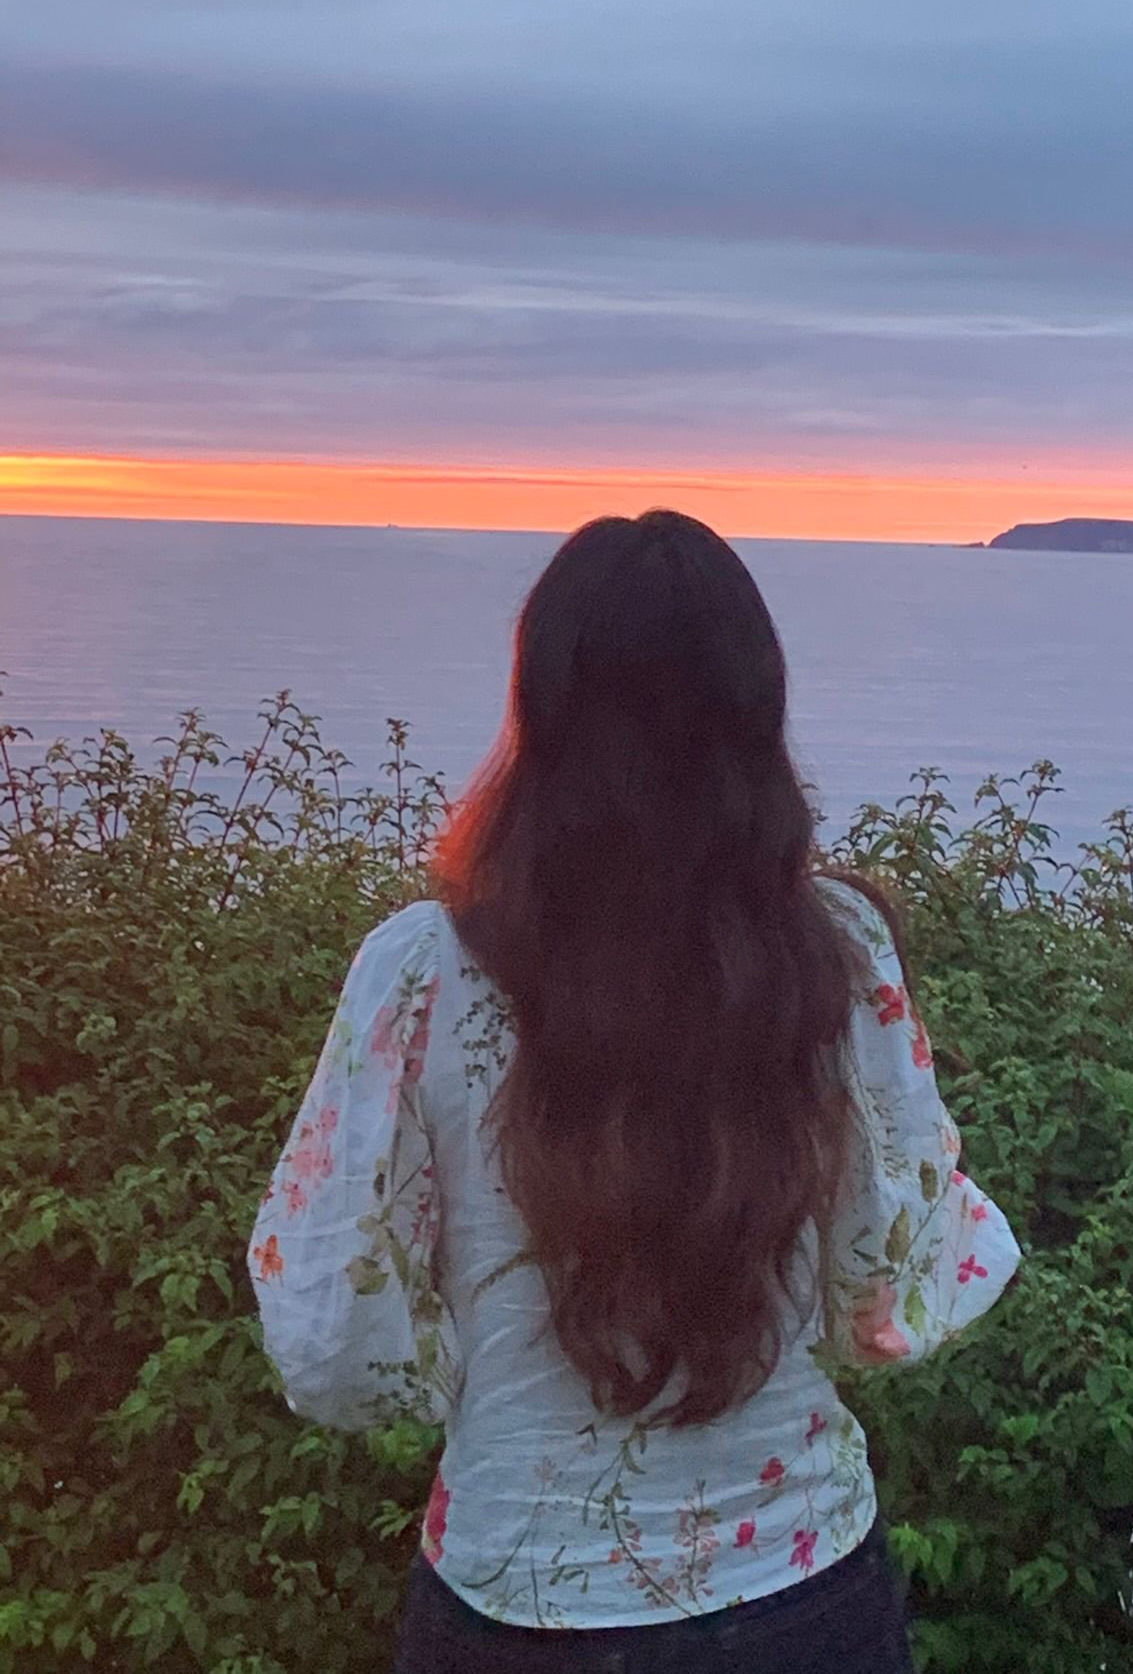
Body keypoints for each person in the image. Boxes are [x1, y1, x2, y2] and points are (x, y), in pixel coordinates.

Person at [249, 510, 1020, 1673]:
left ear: (540, 711)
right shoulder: (835, 952)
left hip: (513, 1602)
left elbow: (330, 1339)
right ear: (755, 713)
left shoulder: (421, 973)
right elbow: (892, 1284)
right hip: (804, 1597)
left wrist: (484, 1382)